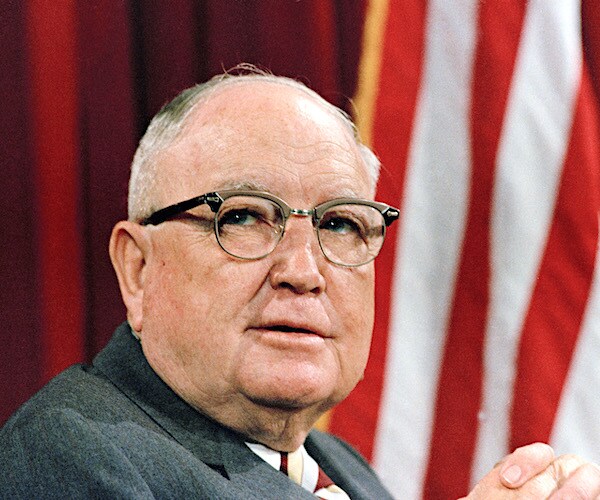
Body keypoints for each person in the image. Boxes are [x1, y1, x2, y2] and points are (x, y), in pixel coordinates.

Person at [1, 68, 599, 499]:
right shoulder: (72, 455)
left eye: (339, 224)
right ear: (137, 269)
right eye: (242, 216)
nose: (302, 272)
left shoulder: (341, 469)